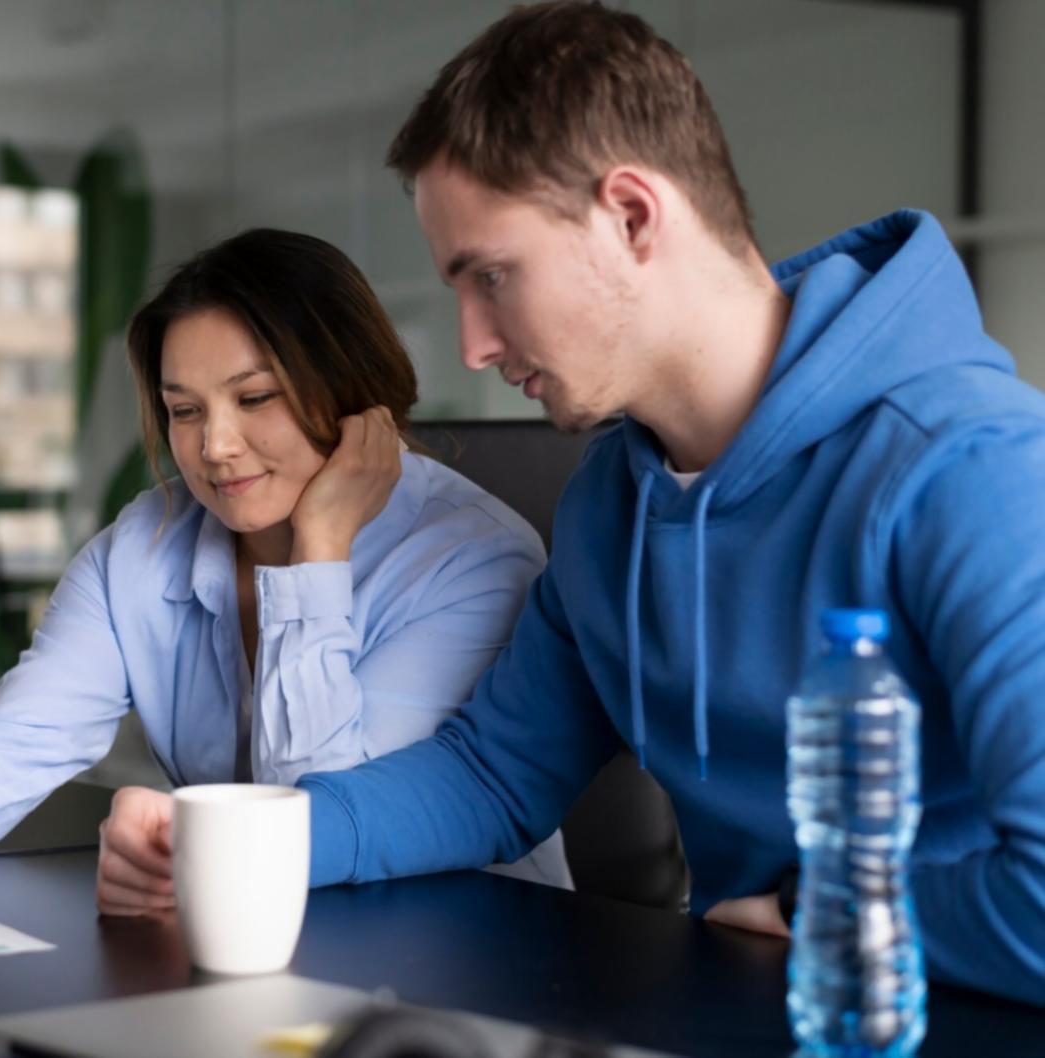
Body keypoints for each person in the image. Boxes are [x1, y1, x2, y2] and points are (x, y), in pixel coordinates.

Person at [97, 1, 1045, 1005]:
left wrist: (827, 909)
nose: (468, 344)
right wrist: (232, 838)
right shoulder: (611, 502)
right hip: (742, 1009)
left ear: (631, 215)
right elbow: (492, 775)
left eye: (491, 277)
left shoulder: (974, 471)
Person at [0, 227, 570, 895]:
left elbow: (308, 828)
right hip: (249, 960)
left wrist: (319, 559)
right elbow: (13, 751)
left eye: (257, 398)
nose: (218, 448)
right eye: (187, 409)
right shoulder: (146, 545)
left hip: (472, 962)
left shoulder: (475, 561)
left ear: (356, 393)